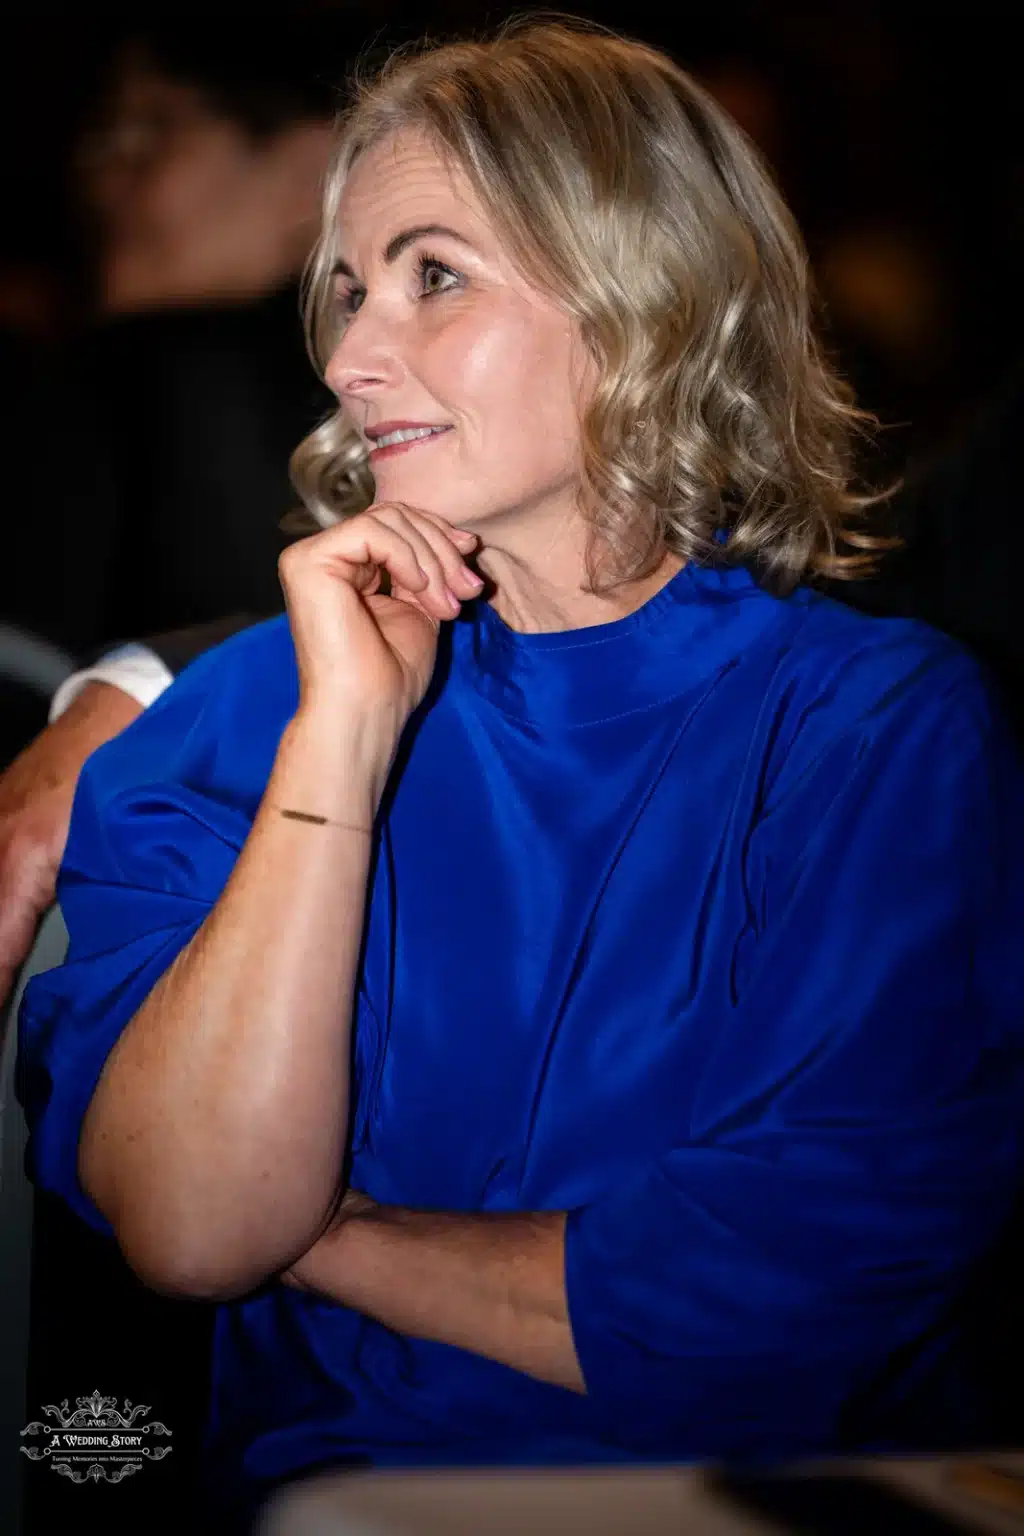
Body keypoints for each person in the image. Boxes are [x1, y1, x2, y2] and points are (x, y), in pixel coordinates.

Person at [13, 20, 1024, 1531]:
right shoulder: (252, 713)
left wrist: (327, 1231)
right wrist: (339, 749)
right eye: (349, 288)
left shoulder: (877, 731)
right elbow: (190, 1228)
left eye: (436, 275)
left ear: (646, 302)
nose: (354, 356)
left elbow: (785, 1305)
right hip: (335, 1506)